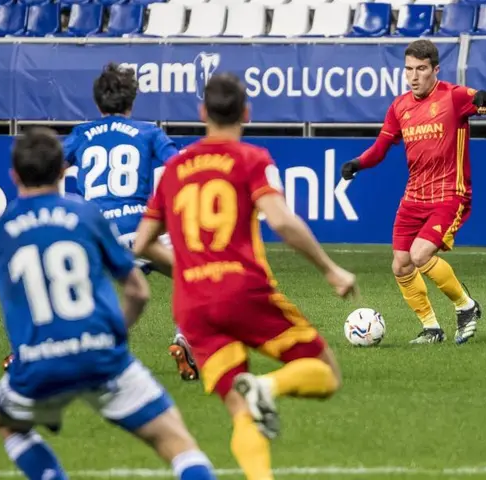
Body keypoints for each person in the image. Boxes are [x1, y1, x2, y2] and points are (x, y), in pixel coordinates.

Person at [132, 72, 358, 480]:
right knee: (326, 374)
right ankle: (267, 388)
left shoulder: (176, 168)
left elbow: (143, 244)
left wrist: (190, 270)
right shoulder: (252, 159)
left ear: (202, 112)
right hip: (242, 290)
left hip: (193, 305)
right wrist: (331, 270)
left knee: (239, 413)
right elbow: (282, 222)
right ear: (247, 113)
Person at [0, 128, 216, 480]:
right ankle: (186, 333)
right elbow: (138, 292)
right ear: (63, 171)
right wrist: (115, 334)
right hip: (101, 357)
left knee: (7, 424)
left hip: (35, 365)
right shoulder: (84, 215)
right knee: (178, 444)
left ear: (14, 175)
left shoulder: (0, 231)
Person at [341, 39, 486, 346]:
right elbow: (381, 148)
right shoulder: (399, 107)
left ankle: (466, 306)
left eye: (421, 69)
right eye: (409, 69)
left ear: (435, 69)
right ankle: (431, 328)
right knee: (401, 263)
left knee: (420, 255)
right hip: (413, 197)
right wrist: (358, 163)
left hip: (450, 193)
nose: (414, 76)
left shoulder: (455, 96)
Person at [61, 62, 198, 381]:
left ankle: (35, 350)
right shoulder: (148, 131)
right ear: (132, 102)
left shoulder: (82, 134)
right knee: (192, 276)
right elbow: (179, 169)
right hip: (140, 231)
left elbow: (47, 169)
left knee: (68, 289)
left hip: (96, 234)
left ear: (97, 103)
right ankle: (185, 341)